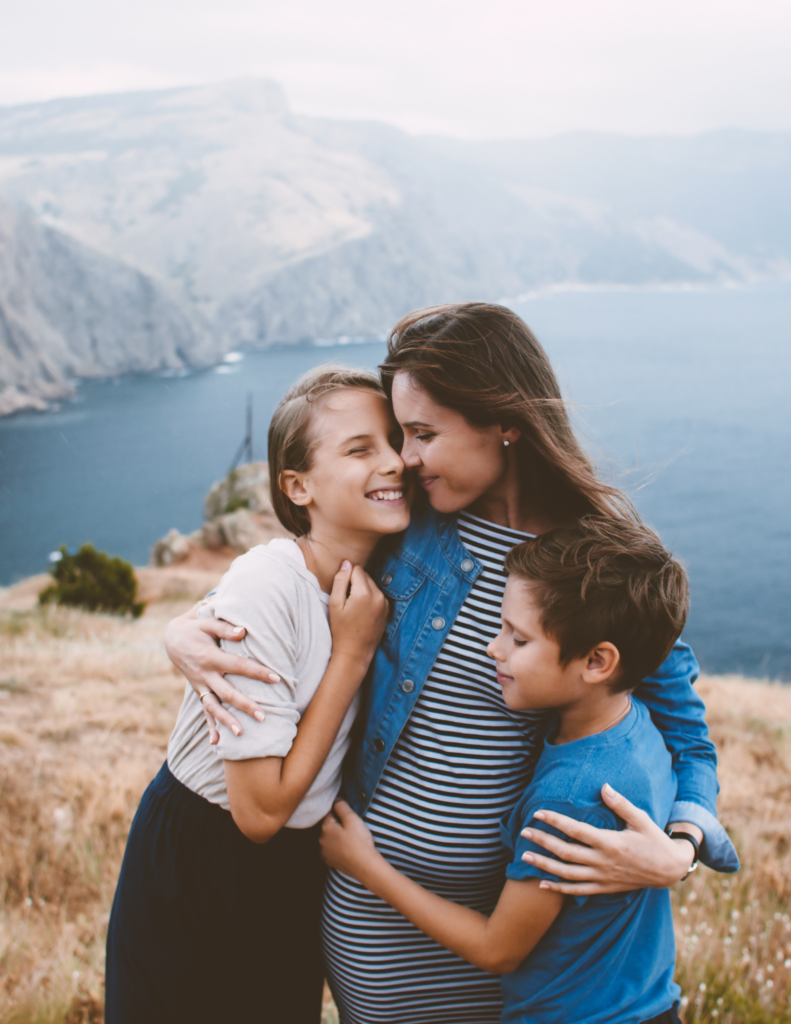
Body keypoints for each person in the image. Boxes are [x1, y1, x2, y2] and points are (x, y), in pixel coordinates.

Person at [165, 304, 738, 1024]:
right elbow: (292, 573)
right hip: (368, 911)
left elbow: (686, 737)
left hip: (491, 928)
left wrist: (678, 853)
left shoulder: (600, 564)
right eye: (401, 434)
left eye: (423, 434)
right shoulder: (410, 525)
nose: (404, 458)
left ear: (504, 421)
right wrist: (186, 624)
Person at [105, 367, 408, 1024]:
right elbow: (259, 811)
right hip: (204, 859)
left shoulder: (386, 571)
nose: (394, 462)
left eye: (395, 440)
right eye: (360, 449)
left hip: (292, 873)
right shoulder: (268, 583)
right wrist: (351, 652)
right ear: (297, 486)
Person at [320, 516, 695, 1024]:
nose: (492, 648)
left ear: (597, 662)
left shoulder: (573, 796)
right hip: (645, 999)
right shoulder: (635, 726)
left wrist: (366, 866)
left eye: (518, 640)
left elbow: (499, 949)